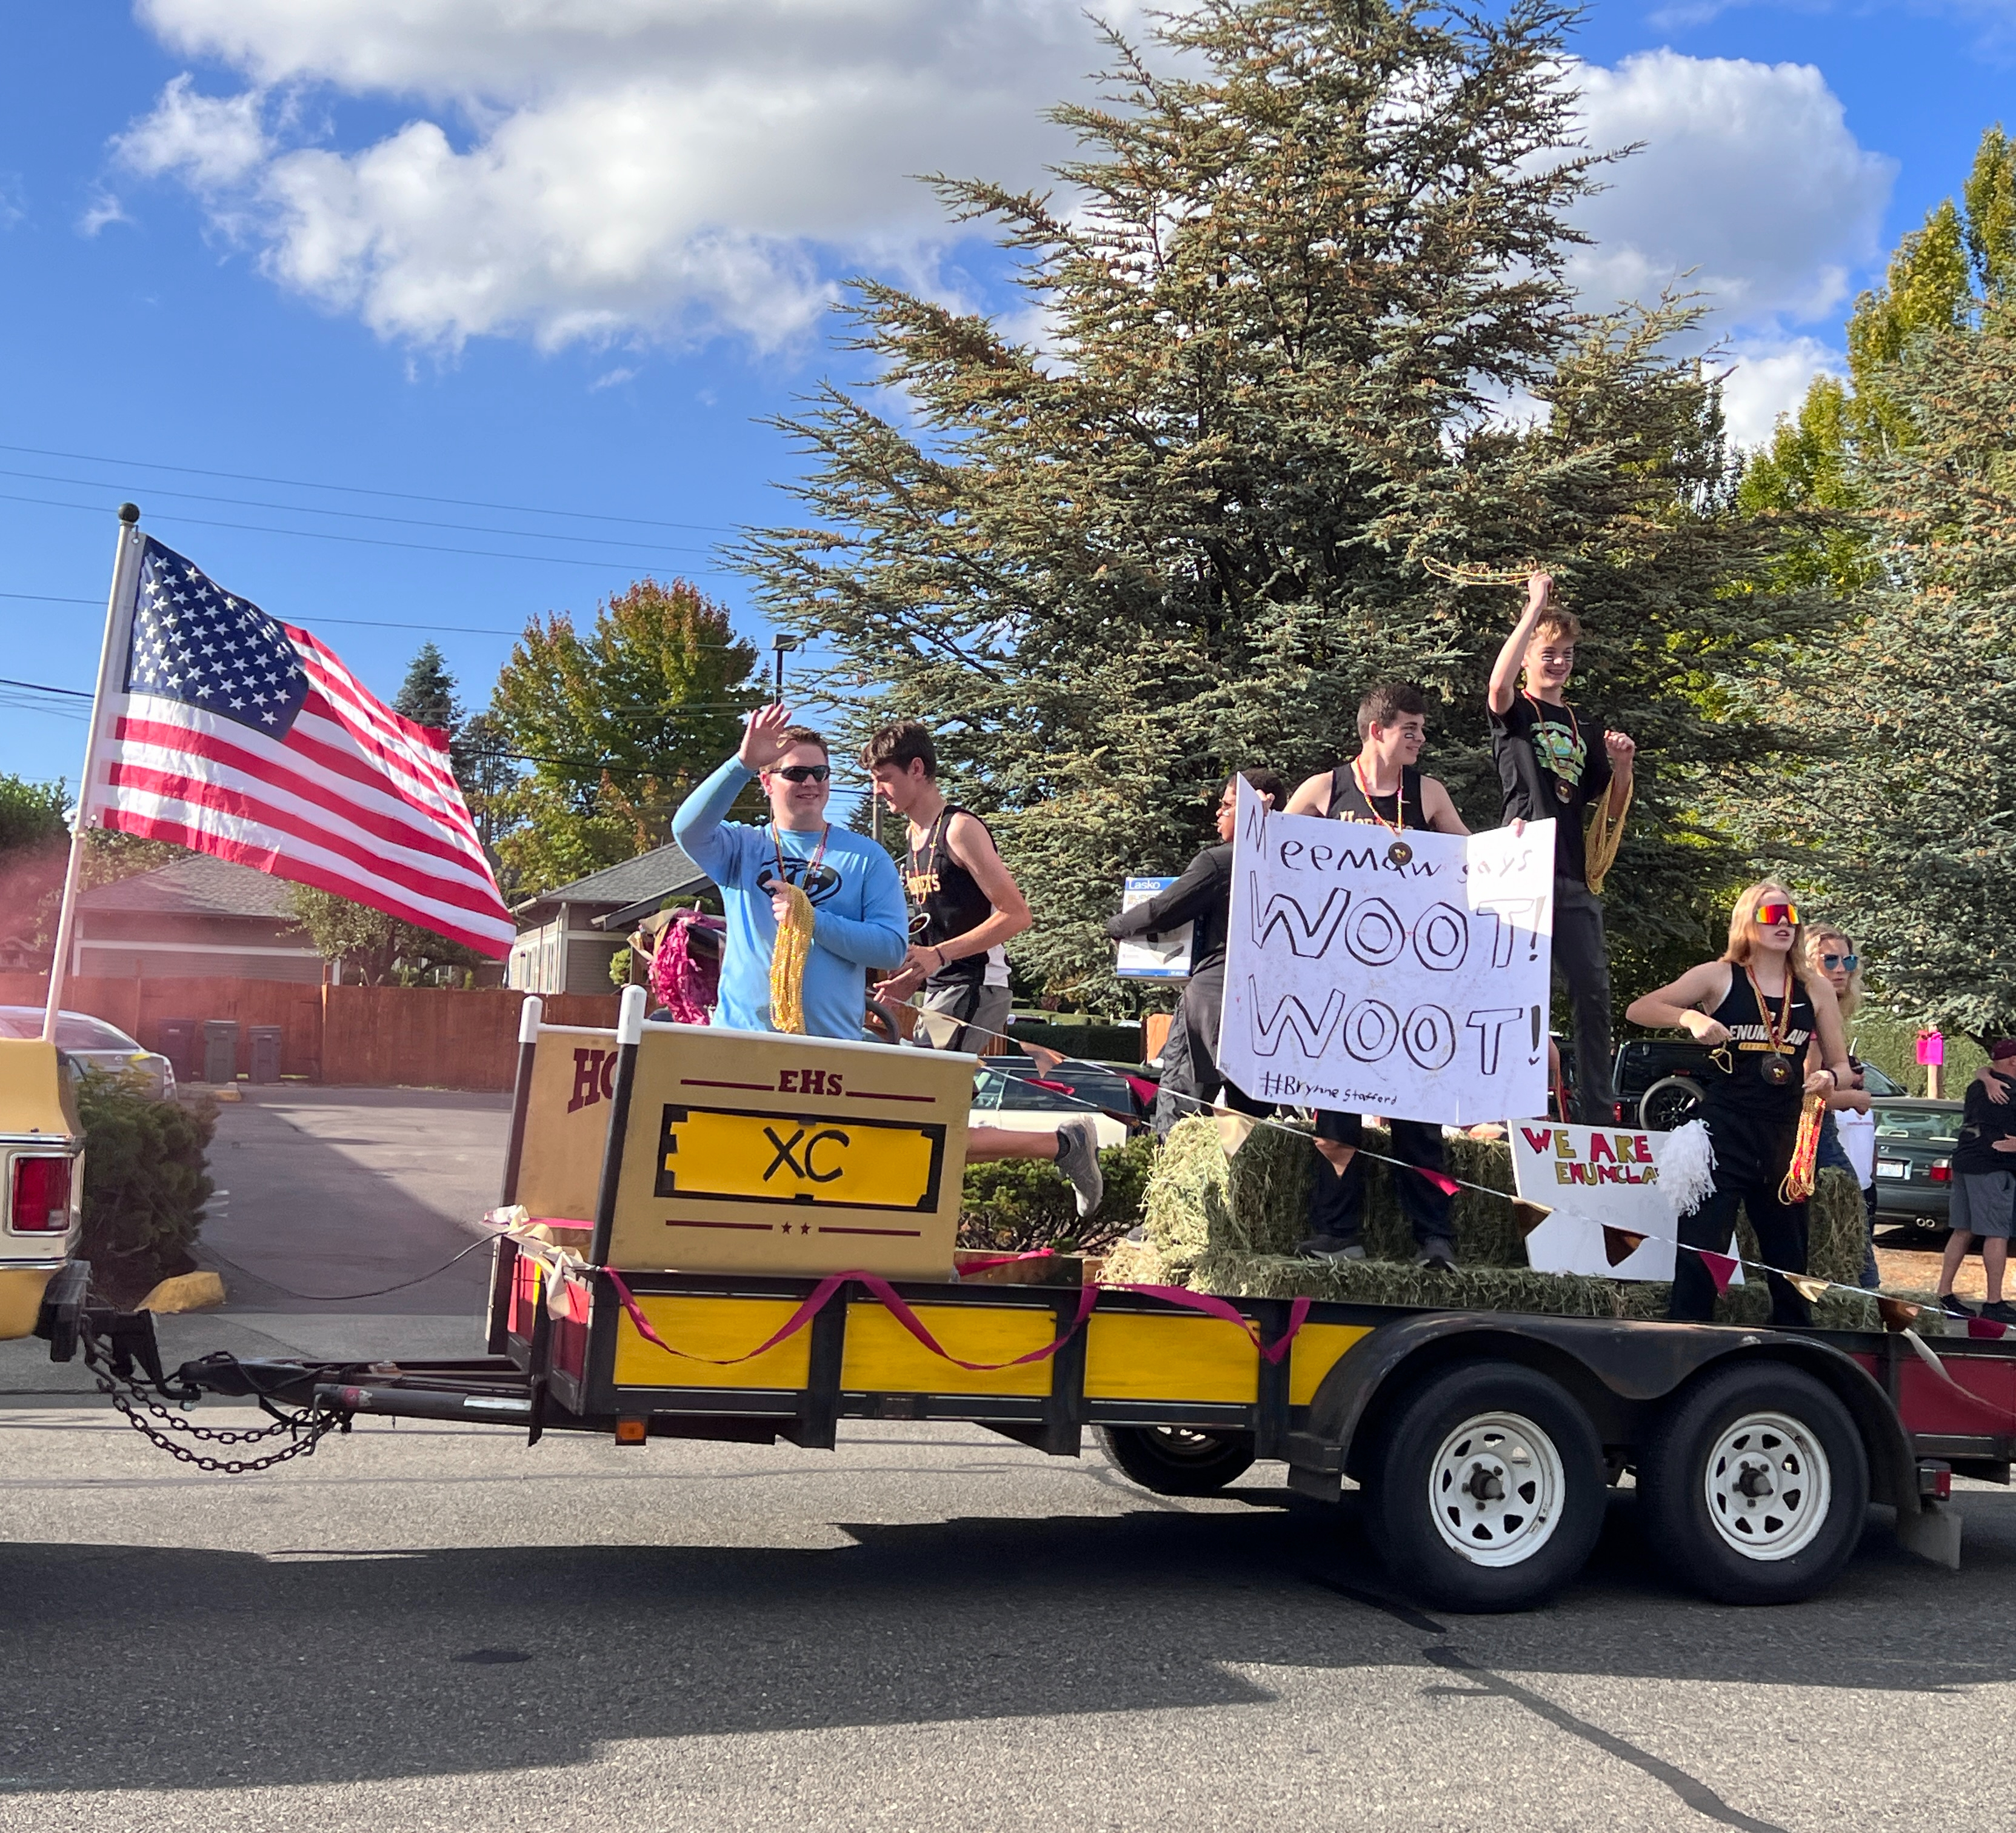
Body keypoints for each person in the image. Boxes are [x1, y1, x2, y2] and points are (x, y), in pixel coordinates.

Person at [858, 719, 1104, 1217]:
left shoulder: (960, 829)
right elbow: (936, 931)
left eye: (883, 777)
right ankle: (1061, 1147)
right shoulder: (913, 836)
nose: (876, 789)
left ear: (918, 769)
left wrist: (941, 957)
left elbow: (1016, 914)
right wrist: (908, 979)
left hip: (974, 986)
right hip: (943, 989)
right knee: (931, 1121)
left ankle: (1064, 1145)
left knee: (921, 1121)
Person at [1286, 683, 1466, 1269]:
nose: (1420, 739)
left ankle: (1434, 1238)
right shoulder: (1324, 789)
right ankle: (1337, 1234)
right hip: (1339, 979)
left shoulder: (1428, 793)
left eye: (1421, 729)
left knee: (1418, 1114)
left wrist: (1512, 845)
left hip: (1412, 977)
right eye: (1410, 729)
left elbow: (1475, 860)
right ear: (1377, 731)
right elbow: (1277, 861)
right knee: (1335, 1111)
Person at [1624, 884, 1854, 1326]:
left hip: (1785, 1136)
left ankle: (1790, 1355)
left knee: (1790, 1264)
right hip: (1723, 1133)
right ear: (1749, 923)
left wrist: (1828, 1077)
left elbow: (1843, 1067)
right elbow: (1641, 1008)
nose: (1784, 923)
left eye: (1789, 915)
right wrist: (1689, 1017)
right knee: (1700, 1258)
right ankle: (1686, 1343)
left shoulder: (1814, 988)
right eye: (1772, 916)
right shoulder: (1719, 975)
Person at [1487, 572, 1635, 1126]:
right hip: (1522, 868)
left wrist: (1623, 764)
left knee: (1593, 994)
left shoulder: (1583, 723)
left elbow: (1607, 802)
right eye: (1549, 653)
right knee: (1520, 993)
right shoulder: (1517, 713)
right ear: (1529, 656)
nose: (1560, 663)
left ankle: (1598, 1112)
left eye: (1568, 654)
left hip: (1572, 875)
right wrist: (1534, 607)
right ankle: (1509, 1107)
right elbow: (1497, 687)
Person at [1104, 768, 1287, 1137]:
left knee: (1180, 1111)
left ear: (1253, 809)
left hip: (1212, 1000)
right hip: (1270, 1008)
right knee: (1251, 1124)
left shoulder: (1221, 861)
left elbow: (1162, 910)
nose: (1217, 813)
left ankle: (1177, 1185)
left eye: (1228, 805)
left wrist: (1117, 927)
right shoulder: (1294, 862)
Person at [1803, 923, 1880, 1289]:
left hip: (1817, 1129)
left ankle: (1861, 1296)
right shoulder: (1814, 1013)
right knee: (1851, 1217)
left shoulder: (1827, 1010)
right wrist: (1854, 1099)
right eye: (1829, 959)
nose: (1840, 968)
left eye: (1847, 959)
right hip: (1811, 1132)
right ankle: (1867, 1298)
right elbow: (1805, 1090)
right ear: (1807, 963)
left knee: (1845, 1220)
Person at [1936, 1042, 2016, 1324]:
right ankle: (1994, 1302)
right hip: (1993, 1168)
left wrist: (1985, 1074)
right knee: (1996, 1233)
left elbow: (1982, 1072)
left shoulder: (1977, 1087)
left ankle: (1943, 1293)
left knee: (1963, 1230)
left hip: (1966, 1162)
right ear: (2014, 1062)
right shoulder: (2011, 1093)